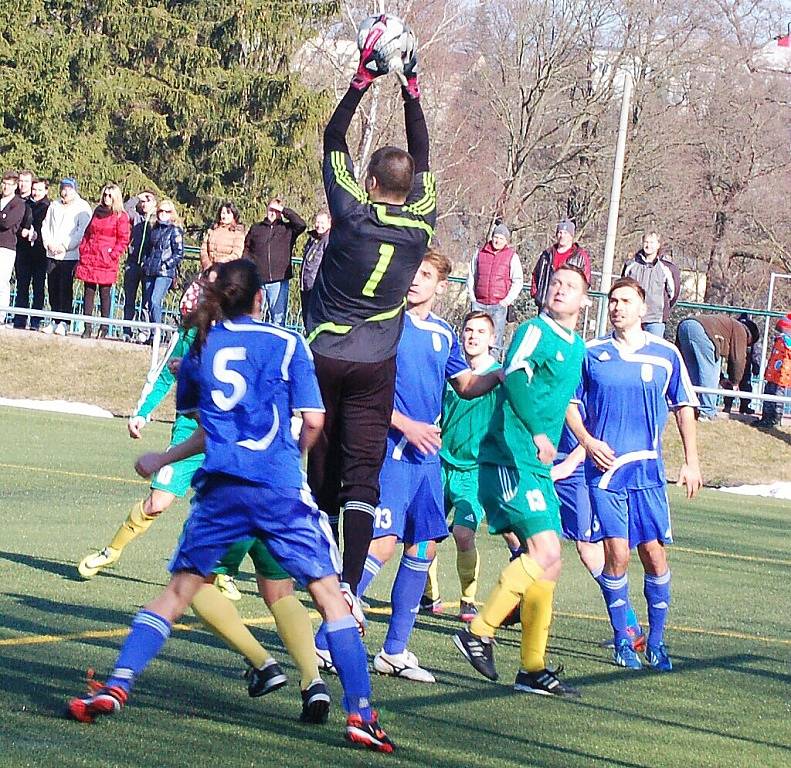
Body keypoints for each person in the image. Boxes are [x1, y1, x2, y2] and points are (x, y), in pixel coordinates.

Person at [67, 260, 394, 752]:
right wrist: (292, 455)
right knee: (329, 597)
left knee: (176, 595)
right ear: (261, 298)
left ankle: (118, 684)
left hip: (221, 491)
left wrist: (164, 455)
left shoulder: (201, 348)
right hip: (279, 490)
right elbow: (314, 421)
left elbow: (209, 429)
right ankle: (361, 714)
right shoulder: (287, 343)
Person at [316, 251, 501, 683]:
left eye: (425, 275)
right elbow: (362, 391)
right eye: (412, 273)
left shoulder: (442, 334)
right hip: (391, 449)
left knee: (424, 547)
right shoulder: (384, 326)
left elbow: (466, 384)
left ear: (441, 285)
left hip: (426, 457)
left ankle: (394, 650)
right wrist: (407, 425)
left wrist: (505, 374)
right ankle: (326, 639)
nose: (415, 281)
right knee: (380, 543)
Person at [304, 25, 436, 608]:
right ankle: (350, 591)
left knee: (318, 467)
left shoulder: (352, 212)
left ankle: (314, 562)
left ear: (371, 182)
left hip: (325, 353)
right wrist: (411, 87)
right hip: (376, 362)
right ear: (409, 191)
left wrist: (363, 78)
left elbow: (333, 136)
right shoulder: (422, 224)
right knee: (363, 476)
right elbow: (423, 155)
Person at [453, 265, 589, 697]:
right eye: (556, 284)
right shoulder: (535, 329)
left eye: (571, 286)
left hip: (536, 465)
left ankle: (532, 667)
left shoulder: (579, 347)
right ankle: (479, 630)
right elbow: (512, 374)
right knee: (544, 550)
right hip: (510, 455)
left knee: (551, 562)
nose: (560, 290)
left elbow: (563, 400)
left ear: (585, 301)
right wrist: (535, 430)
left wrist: (581, 441)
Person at [566, 276, 702, 671]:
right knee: (618, 554)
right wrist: (588, 442)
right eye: (612, 301)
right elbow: (570, 405)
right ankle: (623, 639)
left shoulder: (666, 355)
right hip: (605, 473)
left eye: (625, 300)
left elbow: (684, 407)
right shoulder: (591, 353)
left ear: (644, 309)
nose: (617, 307)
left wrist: (691, 460)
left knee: (654, 556)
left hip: (648, 473)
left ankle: (657, 643)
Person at [421, 311, 517, 621]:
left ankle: (467, 599)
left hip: (475, 471)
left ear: (492, 339)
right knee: (423, 534)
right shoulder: (451, 373)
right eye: (468, 330)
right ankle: (429, 595)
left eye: (480, 331)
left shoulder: (500, 376)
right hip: (440, 462)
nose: (472, 336)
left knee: (463, 533)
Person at [676, 314, 759, 421]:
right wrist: (735, 382)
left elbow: (707, 367)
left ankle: (691, 407)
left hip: (685, 325)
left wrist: (721, 379)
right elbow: (738, 359)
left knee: (693, 372)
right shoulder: (741, 330)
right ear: (750, 338)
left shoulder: (726, 326)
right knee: (709, 374)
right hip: (702, 331)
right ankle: (707, 411)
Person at [75, 183, 130, 338]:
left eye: (110, 196)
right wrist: (83, 248)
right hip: (91, 256)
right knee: (88, 292)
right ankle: (87, 327)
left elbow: (123, 239)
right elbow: (88, 232)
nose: (106, 198)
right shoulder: (97, 212)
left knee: (104, 294)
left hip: (106, 258)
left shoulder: (120, 216)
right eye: (105, 195)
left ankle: (104, 327)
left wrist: (112, 254)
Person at [40, 177, 92, 335]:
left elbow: (81, 231)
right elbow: (45, 226)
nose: (65, 191)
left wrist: (64, 246)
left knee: (65, 288)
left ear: (74, 189)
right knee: (53, 288)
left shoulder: (82, 207)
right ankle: (54, 319)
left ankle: (64, 321)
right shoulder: (54, 205)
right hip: (52, 253)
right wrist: (48, 243)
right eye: (63, 188)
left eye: (69, 188)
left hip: (69, 255)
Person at [242, 197, 306, 326]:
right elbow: (247, 249)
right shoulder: (256, 228)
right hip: (258, 280)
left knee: (278, 319)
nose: (272, 212)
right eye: (271, 209)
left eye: (276, 210)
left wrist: (283, 210)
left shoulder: (287, 229)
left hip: (279, 280)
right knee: (254, 317)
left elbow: (301, 224)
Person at [466, 223, 523, 355]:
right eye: (496, 237)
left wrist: (506, 301)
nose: (497, 241)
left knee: (495, 341)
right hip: (479, 303)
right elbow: (471, 275)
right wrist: (473, 298)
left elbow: (518, 280)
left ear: (506, 241)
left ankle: (491, 372)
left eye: (501, 238)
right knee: (475, 338)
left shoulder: (512, 256)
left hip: (498, 305)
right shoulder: (480, 253)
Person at [621, 230, 680, 338]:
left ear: (658, 245)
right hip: (633, 316)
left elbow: (673, 294)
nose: (648, 245)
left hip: (655, 319)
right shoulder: (631, 265)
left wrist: (662, 308)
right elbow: (622, 288)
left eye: (652, 242)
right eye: (646, 242)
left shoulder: (667, 268)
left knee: (653, 352)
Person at [12, 176, 50, 330]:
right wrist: (23, 232)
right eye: (34, 189)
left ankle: (35, 321)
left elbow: (50, 229)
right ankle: (19, 319)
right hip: (24, 251)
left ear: (46, 191)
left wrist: (38, 237)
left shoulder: (49, 206)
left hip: (40, 252)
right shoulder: (24, 204)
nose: (36, 193)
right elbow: (17, 225)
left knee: (38, 287)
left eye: (39, 190)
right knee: (22, 286)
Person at [140, 198, 183, 326]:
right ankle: (149, 333)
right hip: (150, 270)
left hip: (164, 272)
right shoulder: (154, 229)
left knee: (155, 300)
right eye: (161, 211)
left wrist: (166, 264)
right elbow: (148, 249)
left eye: (167, 211)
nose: (163, 213)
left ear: (172, 213)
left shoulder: (175, 230)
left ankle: (157, 332)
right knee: (146, 302)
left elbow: (179, 253)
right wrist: (145, 263)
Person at [530, 219, 591, 308]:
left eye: (566, 233)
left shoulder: (580, 257)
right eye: (560, 233)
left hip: (567, 305)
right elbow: (536, 275)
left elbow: (586, 281)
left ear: (571, 236)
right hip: (545, 303)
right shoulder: (546, 255)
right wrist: (536, 294)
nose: (562, 236)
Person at [122, 190, 157, 341]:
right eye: (143, 201)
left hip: (148, 265)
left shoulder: (156, 220)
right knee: (129, 298)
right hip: (133, 262)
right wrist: (136, 197)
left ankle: (144, 331)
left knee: (146, 301)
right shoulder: (136, 217)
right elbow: (122, 210)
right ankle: (126, 330)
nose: (144, 204)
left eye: (148, 200)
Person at [754, 313, 791, 429]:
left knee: (777, 397)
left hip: (781, 376)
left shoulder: (785, 342)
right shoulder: (779, 341)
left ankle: (775, 418)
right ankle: (766, 417)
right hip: (773, 374)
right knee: (769, 394)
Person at [0, 171, 27, 323]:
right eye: (4, 183)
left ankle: (2, 315)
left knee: (2, 282)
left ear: (15, 186)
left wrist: (3, 216)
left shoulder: (18, 203)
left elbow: (7, 223)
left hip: (6, 246)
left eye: (9, 184)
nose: (5, 187)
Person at [299, 211, 331, 327]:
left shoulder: (328, 241)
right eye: (317, 222)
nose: (319, 225)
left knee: (314, 321)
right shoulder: (312, 239)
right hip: (306, 286)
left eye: (322, 222)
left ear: (329, 224)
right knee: (306, 320)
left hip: (317, 288)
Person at [199, 201, 246, 270]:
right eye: (223, 213)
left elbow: (236, 254)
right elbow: (203, 250)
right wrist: (207, 264)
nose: (224, 216)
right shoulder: (212, 230)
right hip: (208, 270)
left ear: (234, 215)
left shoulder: (238, 233)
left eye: (228, 213)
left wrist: (220, 264)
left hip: (227, 271)